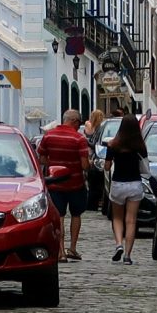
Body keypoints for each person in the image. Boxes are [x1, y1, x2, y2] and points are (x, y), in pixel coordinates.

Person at [38, 108, 94, 261]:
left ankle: (60, 251)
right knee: (76, 215)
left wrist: (55, 164)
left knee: (59, 217)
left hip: (55, 184)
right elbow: (84, 165)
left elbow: (42, 159)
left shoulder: (49, 136)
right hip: (76, 184)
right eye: (79, 123)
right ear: (75, 122)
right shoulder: (79, 139)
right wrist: (89, 165)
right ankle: (73, 248)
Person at [103, 108, 148, 262]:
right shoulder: (140, 146)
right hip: (135, 184)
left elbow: (107, 167)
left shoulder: (113, 145)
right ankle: (128, 255)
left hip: (118, 184)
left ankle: (118, 244)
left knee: (117, 218)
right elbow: (145, 167)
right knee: (131, 220)